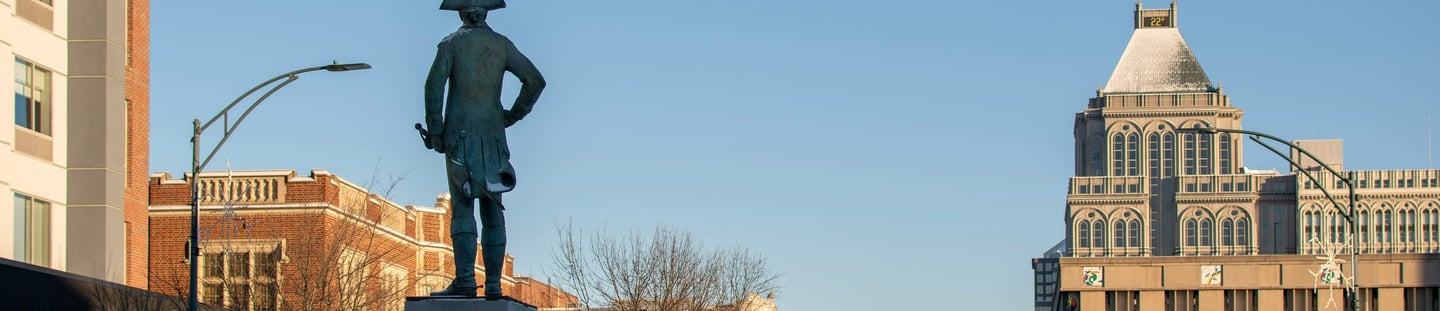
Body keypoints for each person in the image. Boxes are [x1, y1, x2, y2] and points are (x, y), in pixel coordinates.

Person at [423, 0, 545, 298]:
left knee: (462, 207)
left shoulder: (451, 44)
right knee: (493, 208)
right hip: (493, 137)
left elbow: (433, 87)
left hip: (459, 137)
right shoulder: (501, 45)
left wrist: (436, 131)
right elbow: (535, 81)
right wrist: (510, 116)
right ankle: (492, 283)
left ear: (462, 12)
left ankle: (465, 280)